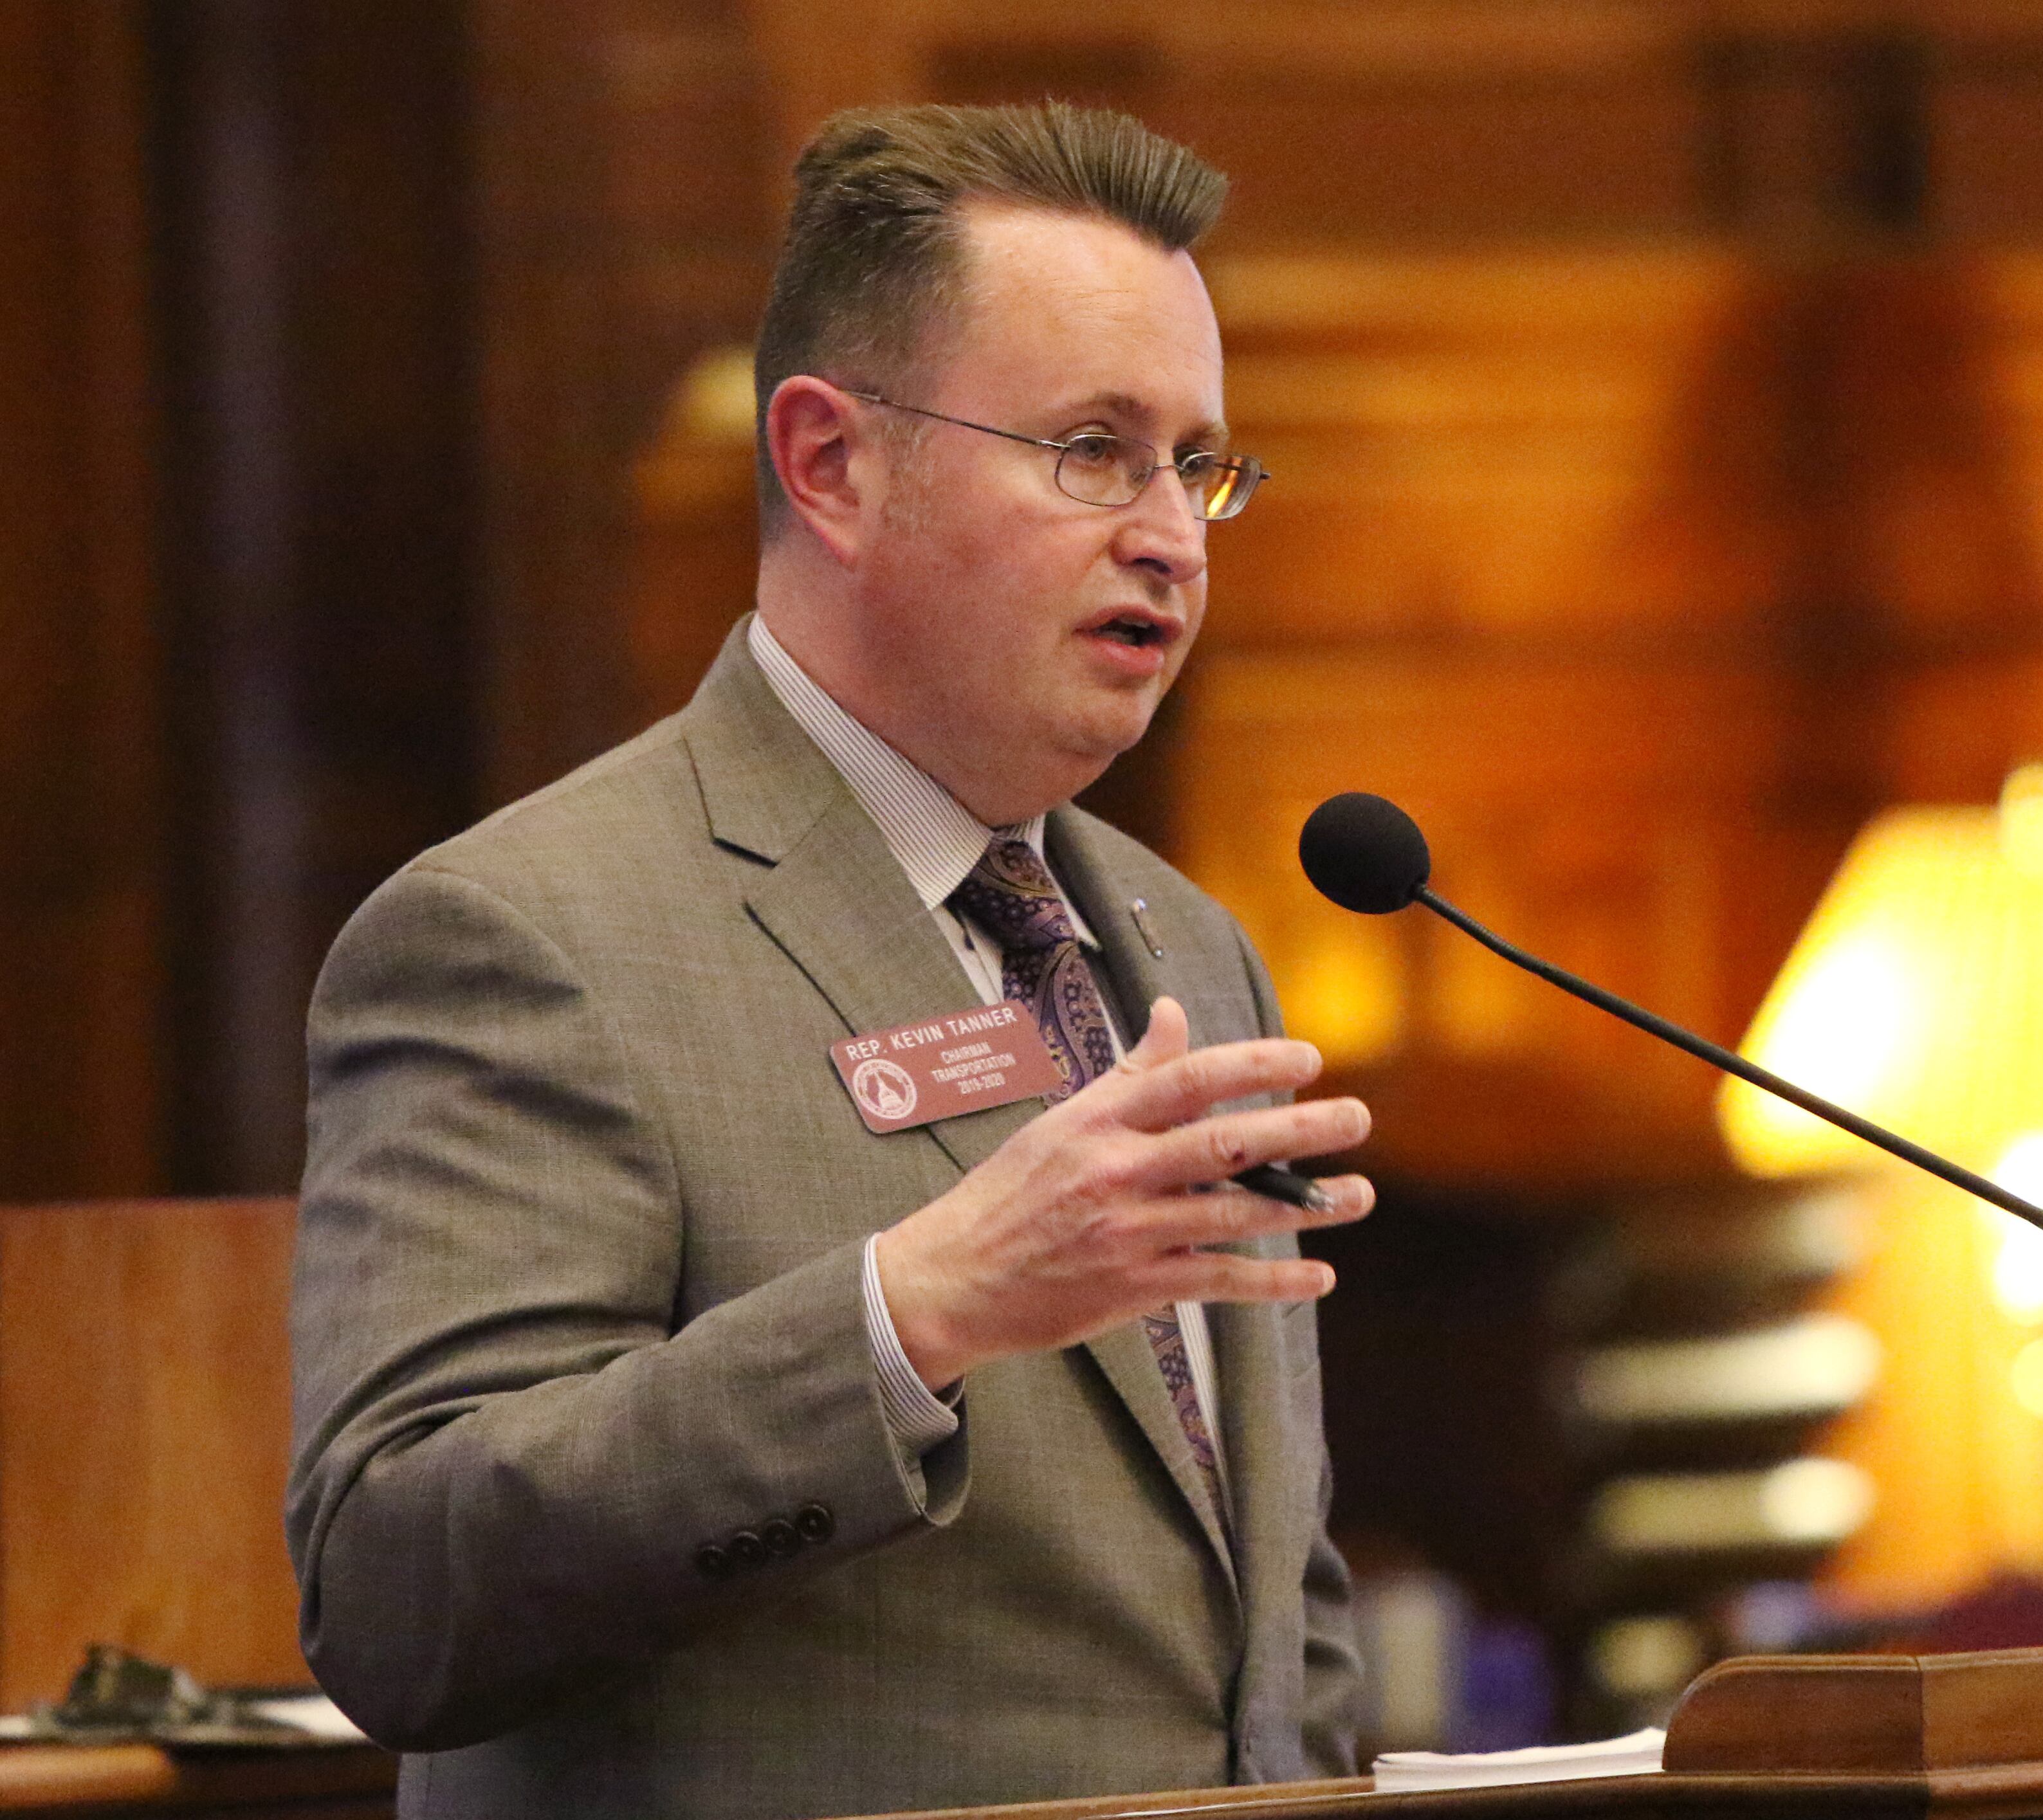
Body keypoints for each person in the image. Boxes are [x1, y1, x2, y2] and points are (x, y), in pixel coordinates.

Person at [286, 102, 1373, 1820]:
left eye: (1197, 462)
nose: (1174, 533)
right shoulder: (526, 935)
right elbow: (399, 1593)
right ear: (829, 464)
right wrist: (906, 1317)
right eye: (1094, 449)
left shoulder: (1191, 948)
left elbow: (1267, 1616)